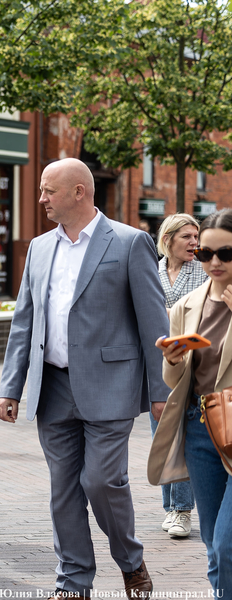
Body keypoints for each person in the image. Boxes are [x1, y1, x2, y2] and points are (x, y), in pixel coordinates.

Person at [0, 158, 168, 599]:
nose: (41, 199)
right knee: (64, 489)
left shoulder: (130, 242)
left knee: (101, 481)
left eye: (48, 191)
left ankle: (130, 560)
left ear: (79, 192)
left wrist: (161, 390)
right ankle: (73, 582)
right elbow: (24, 321)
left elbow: (154, 322)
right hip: (52, 387)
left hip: (111, 384)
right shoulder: (39, 248)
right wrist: (10, 386)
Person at [150, 208, 232, 598]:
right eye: (205, 253)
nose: (214, 262)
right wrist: (172, 360)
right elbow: (176, 381)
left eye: (225, 253)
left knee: (227, 545)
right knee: (214, 543)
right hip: (200, 429)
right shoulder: (187, 305)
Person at [151, 213, 204, 538]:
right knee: (162, 437)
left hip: (191, 366)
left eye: (196, 237)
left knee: (183, 437)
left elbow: (204, 313)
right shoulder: (152, 270)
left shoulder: (202, 271)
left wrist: (168, 316)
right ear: (168, 239)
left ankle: (182, 511)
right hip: (157, 364)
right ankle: (169, 507)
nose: (194, 243)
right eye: (187, 236)